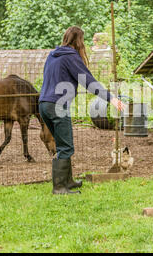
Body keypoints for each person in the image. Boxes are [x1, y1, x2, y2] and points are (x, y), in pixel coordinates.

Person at [39, 26, 125, 194]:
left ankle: (68, 181)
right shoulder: (71, 57)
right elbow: (89, 82)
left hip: (43, 103)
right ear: (78, 41)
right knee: (66, 146)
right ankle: (59, 188)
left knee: (62, 143)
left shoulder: (52, 55)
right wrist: (111, 98)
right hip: (57, 105)